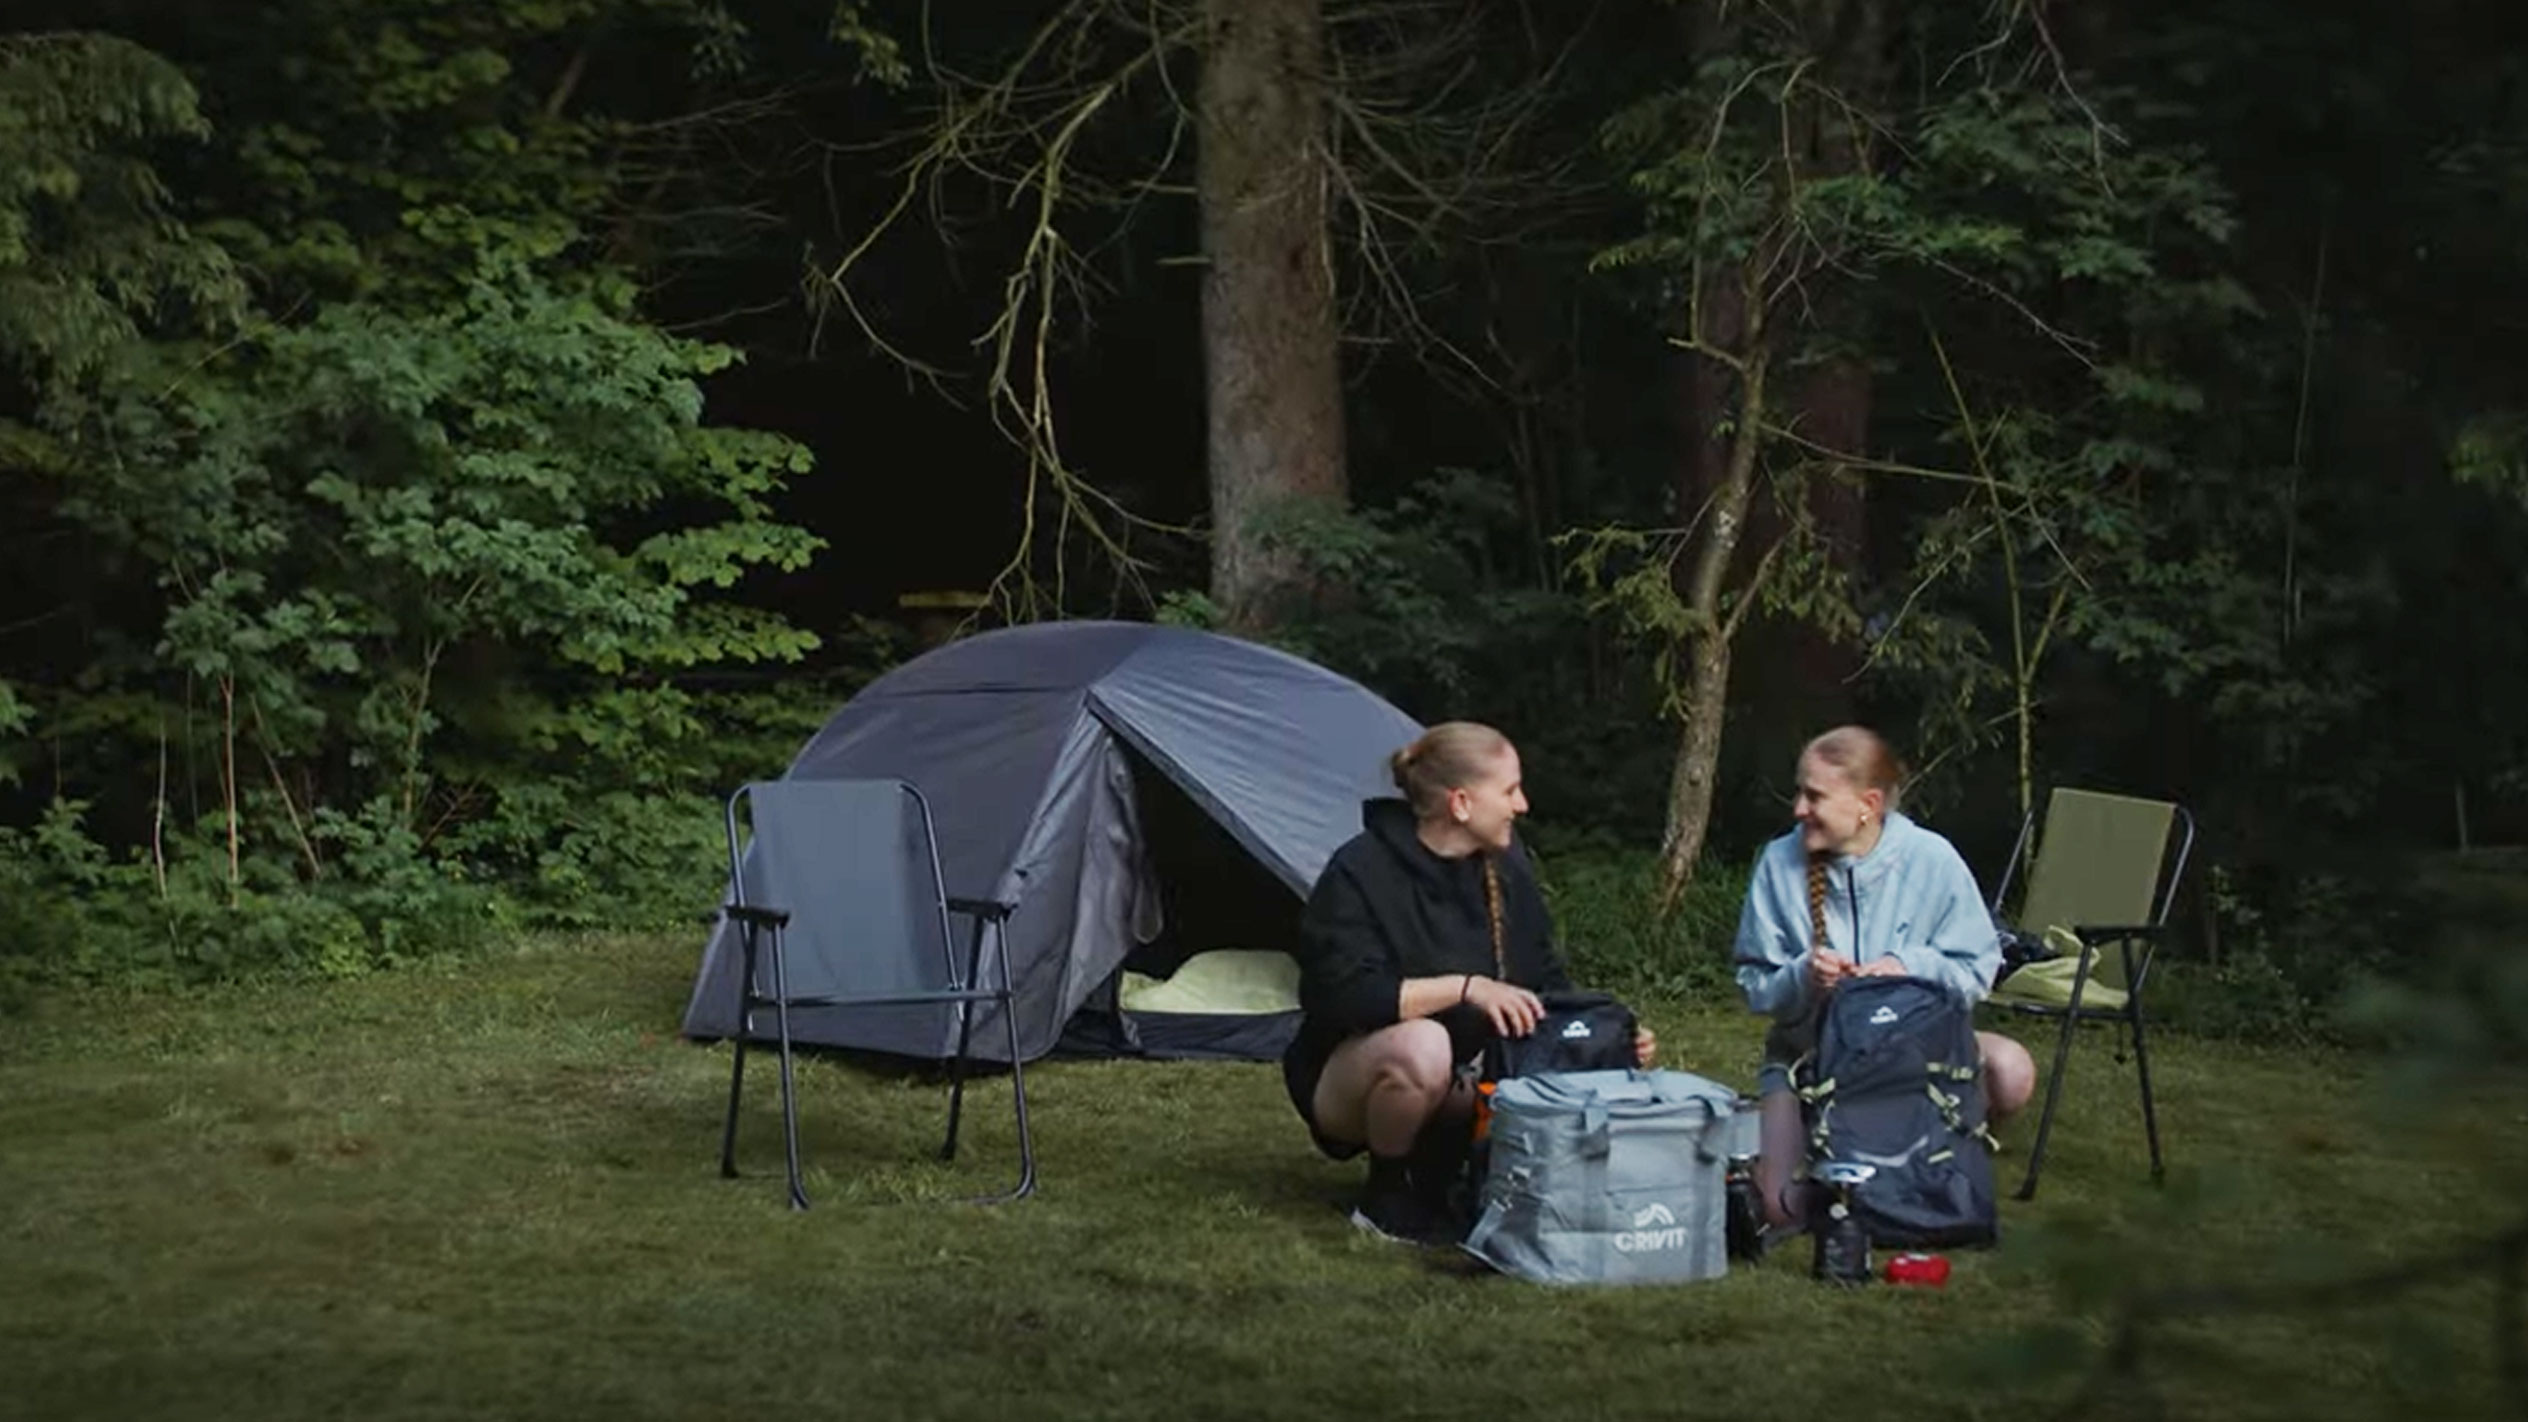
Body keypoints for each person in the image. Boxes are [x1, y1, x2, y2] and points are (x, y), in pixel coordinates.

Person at [1284, 721, 1657, 1243]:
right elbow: (1340, 998)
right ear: (1461, 803)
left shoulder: (1505, 868)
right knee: (1424, 1044)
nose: (1522, 805)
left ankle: (1442, 1177)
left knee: (1477, 1055)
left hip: (1467, 1079)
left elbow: (1546, 982)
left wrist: (1603, 1037)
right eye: (1509, 790)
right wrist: (1466, 988)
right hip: (1350, 1080)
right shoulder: (1360, 869)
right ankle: (1385, 1197)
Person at [1732, 725, 2037, 1229]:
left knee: (2011, 1070)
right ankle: (1852, 1157)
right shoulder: (1779, 862)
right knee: (1778, 1209)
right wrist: (1804, 976)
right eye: (1799, 792)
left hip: (1914, 1060)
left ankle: (1946, 1143)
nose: (1799, 809)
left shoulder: (1932, 859)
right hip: (1808, 1059)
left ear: (1867, 804)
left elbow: (1978, 967)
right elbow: (1755, 987)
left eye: (1814, 796)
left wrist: (1908, 967)